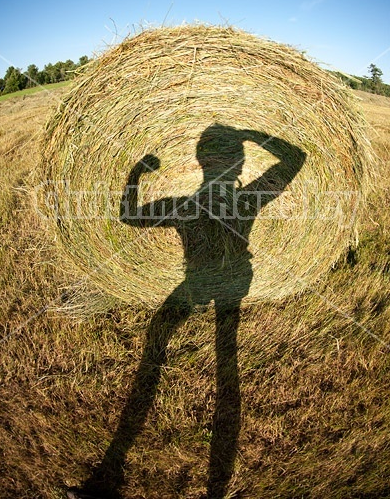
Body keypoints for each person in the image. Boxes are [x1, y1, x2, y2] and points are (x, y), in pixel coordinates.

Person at [70, 124, 305, 499]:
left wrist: (137, 173)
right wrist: (250, 133)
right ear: (240, 167)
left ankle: (114, 475)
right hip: (236, 279)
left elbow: (129, 216)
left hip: (199, 282)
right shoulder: (248, 199)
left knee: (160, 343)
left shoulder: (185, 206)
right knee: (225, 360)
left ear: (200, 165)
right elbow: (296, 157)